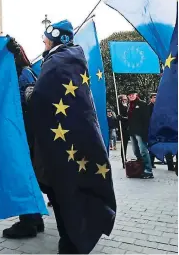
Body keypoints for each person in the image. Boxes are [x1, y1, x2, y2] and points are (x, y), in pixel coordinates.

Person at [28, 20, 116, 254]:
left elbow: (40, 96)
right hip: (71, 137)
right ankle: (72, 239)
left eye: (45, 37)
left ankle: (72, 242)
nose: (43, 41)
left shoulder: (58, 60)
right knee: (66, 189)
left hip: (62, 144)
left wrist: (28, 92)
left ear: (54, 38)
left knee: (64, 190)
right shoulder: (70, 57)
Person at [2, 37, 44, 239]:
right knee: (27, 173)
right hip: (25, 131)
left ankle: (28, 222)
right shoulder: (23, 72)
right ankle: (35, 219)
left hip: (25, 132)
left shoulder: (23, 73)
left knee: (22, 174)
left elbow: (31, 99)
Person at [127, 90, 154, 179]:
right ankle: (141, 168)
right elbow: (130, 118)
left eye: (132, 95)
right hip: (132, 131)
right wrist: (122, 118)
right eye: (129, 95)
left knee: (143, 151)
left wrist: (145, 132)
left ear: (136, 95)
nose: (131, 96)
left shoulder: (142, 104)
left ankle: (148, 170)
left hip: (140, 132)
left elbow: (146, 119)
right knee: (136, 151)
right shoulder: (129, 106)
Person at [148, 93, 174, 171]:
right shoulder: (148, 108)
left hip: (163, 130)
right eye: (154, 97)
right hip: (153, 130)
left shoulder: (162, 107)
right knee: (153, 147)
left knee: (167, 147)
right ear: (151, 99)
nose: (156, 99)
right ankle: (151, 163)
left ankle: (170, 166)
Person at [117, 94, 130, 168]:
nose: (125, 100)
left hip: (131, 127)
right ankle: (124, 160)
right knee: (124, 145)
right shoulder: (119, 107)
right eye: (124, 99)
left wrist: (123, 118)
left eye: (126, 99)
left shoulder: (128, 106)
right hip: (123, 129)